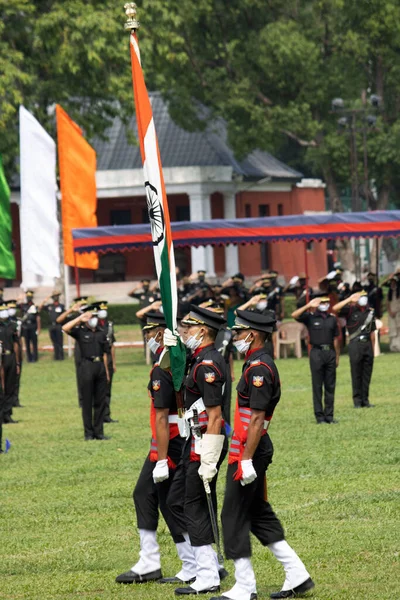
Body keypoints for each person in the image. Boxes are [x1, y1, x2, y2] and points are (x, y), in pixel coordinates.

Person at [213, 309, 314, 600]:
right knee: (257, 512)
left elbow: (257, 418)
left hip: (250, 449)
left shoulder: (259, 368)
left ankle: (245, 586)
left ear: (253, 335)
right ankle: (297, 574)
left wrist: (245, 459)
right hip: (248, 446)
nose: (234, 338)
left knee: (232, 514)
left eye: (238, 332)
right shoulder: (254, 363)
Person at [116, 311, 196, 585]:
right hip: (170, 440)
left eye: (150, 332)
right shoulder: (177, 357)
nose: (147, 337)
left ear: (161, 333)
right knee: (158, 499)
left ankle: (181, 561)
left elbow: (163, 415)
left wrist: (161, 459)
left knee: (162, 499)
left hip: (170, 442)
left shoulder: (165, 364)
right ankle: (178, 561)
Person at [164, 305, 228, 596]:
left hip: (205, 441)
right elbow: (173, 367)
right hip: (196, 439)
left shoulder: (208, 365)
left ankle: (208, 575)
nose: (184, 332)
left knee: (195, 505)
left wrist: (210, 459)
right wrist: (171, 348)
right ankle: (208, 564)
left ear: (203, 330)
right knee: (178, 500)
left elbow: (215, 415)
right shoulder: (200, 357)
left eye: (188, 328)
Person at [62, 305, 110, 440]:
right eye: (90, 317)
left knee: (100, 401)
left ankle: (99, 432)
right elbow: (65, 328)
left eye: (94, 317)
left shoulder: (101, 332)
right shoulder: (80, 332)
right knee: (87, 401)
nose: (92, 319)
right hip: (86, 366)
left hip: (100, 365)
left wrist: (106, 371)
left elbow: (106, 353)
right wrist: (79, 318)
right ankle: (88, 433)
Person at [292, 296, 340, 424]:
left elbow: (336, 338)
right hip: (316, 352)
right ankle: (319, 416)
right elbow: (294, 315)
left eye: (326, 302)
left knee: (330, 385)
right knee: (317, 385)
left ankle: (329, 415)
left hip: (329, 352)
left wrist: (337, 356)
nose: (324, 304)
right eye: (321, 302)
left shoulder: (332, 319)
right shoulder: (310, 317)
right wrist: (308, 306)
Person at [333, 291, 376, 408]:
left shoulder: (370, 312)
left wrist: (373, 349)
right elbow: (335, 308)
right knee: (356, 373)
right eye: (361, 297)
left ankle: (365, 400)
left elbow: (372, 332)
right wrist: (349, 299)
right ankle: (357, 401)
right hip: (355, 344)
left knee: (367, 374)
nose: (363, 299)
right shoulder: (350, 310)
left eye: (364, 297)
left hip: (367, 344)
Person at [57, 297, 89, 407]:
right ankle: (82, 400)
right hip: (80, 347)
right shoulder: (75, 317)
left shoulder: (91, 317)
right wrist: (71, 310)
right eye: (81, 305)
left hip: (92, 345)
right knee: (81, 374)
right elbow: (59, 320)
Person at [0, 303, 21, 432]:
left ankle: (8, 414)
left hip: (10, 357)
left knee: (10, 386)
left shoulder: (12, 325)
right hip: (0, 358)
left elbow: (16, 344)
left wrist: (17, 362)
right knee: (1, 388)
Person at [96, 301, 118, 423]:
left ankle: (106, 414)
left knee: (108, 389)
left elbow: (112, 345)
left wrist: (113, 363)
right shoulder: (94, 325)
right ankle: (100, 415)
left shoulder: (109, 325)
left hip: (108, 358)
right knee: (100, 389)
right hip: (99, 358)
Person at [7, 300, 24, 409]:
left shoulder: (17, 322)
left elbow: (19, 339)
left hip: (16, 351)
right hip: (7, 353)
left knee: (16, 379)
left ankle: (15, 400)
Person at [39, 292, 65, 360]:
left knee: (60, 342)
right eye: (54, 297)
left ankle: (61, 356)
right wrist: (45, 300)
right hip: (51, 326)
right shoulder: (50, 306)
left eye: (56, 296)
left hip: (58, 326)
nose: (55, 298)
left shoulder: (61, 306)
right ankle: (56, 356)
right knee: (54, 342)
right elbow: (40, 307)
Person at [20, 290, 40, 362]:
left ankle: (35, 357)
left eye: (30, 296)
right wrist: (20, 298)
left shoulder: (34, 306)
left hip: (33, 326)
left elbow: (38, 318)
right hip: (26, 327)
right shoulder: (23, 306)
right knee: (27, 343)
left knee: (34, 343)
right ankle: (29, 357)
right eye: (27, 296)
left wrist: (38, 328)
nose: (29, 298)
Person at [386, 274, 400, 352]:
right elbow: (387, 304)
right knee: (392, 329)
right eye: (391, 283)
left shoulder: (398, 293)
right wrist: (391, 312)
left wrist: (396, 311)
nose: (393, 284)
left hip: (398, 314)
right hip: (391, 314)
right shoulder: (389, 294)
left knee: (398, 329)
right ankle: (393, 346)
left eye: (394, 283)